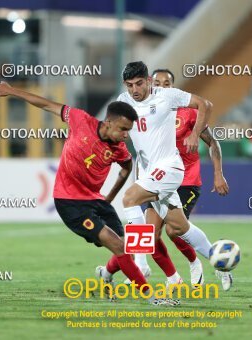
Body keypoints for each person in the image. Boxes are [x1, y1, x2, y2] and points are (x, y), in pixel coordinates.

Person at [0, 81, 178, 306]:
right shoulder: (80, 120)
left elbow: (127, 168)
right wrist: (11, 91)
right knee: (119, 246)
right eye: (123, 129)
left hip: (95, 200)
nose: (126, 135)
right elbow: (46, 105)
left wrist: (109, 197)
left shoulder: (119, 149)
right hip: (69, 201)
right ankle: (152, 297)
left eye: (129, 130)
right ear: (108, 123)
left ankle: (106, 275)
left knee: (131, 245)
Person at [97, 61, 234, 291]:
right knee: (179, 227)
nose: (135, 90)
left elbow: (205, 104)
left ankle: (140, 265)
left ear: (148, 81)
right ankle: (219, 261)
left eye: (139, 84)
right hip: (149, 172)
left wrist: (193, 134)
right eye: (130, 85)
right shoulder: (123, 102)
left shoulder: (167, 96)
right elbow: (108, 129)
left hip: (170, 168)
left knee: (129, 199)